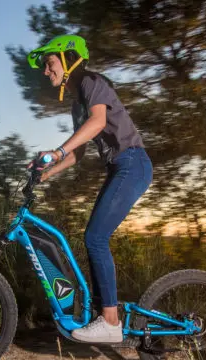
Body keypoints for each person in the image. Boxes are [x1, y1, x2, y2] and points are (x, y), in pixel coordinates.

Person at [26, 35, 153, 343]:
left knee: (96, 237)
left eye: (50, 63)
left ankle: (110, 322)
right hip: (121, 167)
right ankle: (104, 313)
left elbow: (97, 123)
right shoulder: (77, 104)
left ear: (68, 59)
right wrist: (47, 173)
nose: (45, 71)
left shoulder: (91, 82)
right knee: (93, 237)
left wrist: (57, 151)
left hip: (133, 163)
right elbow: (78, 153)